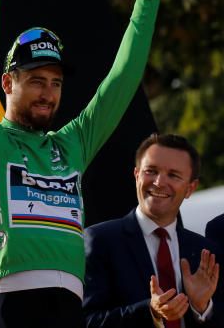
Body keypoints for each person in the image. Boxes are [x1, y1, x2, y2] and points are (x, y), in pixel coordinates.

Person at [0, 0, 175, 328]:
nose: (48, 93)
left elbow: (121, 82)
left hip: (68, 311)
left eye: (56, 83)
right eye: (37, 80)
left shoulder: (71, 143)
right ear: (8, 83)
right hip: (8, 307)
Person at [84, 133, 222, 327]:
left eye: (173, 175)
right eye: (151, 171)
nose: (159, 182)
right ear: (137, 175)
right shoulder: (100, 240)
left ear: (190, 188)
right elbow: (86, 321)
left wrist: (201, 308)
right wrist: (150, 311)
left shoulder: (205, 252)